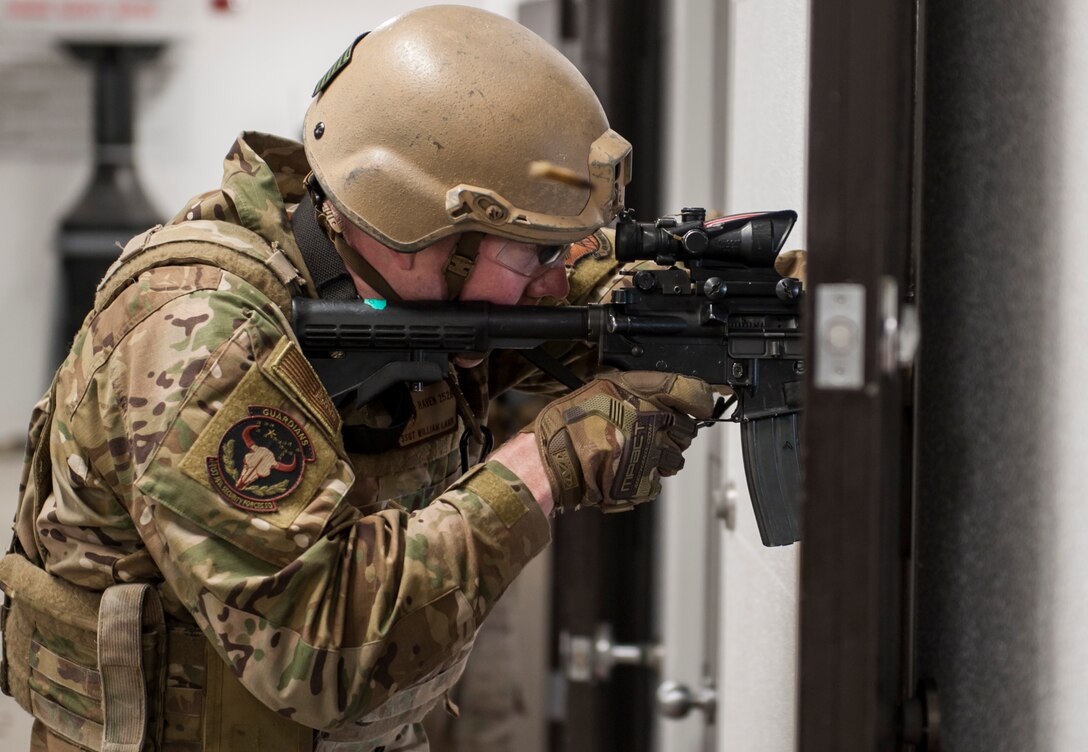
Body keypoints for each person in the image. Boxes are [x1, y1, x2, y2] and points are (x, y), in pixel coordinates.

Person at [0, 6, 714, 751]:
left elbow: (572, 290)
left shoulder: (385, 278)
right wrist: (547, 462)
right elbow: (324, 649)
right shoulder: (198, 338)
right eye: (537, 254)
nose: (554, 280)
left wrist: (713, 292)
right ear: (431, 232)